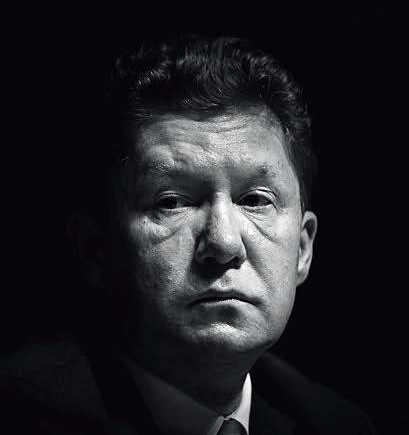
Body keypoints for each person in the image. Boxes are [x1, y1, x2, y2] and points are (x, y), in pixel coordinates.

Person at [0, 36, 376, 434]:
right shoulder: (20, 414)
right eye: (172, 202)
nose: (224, 244)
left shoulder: (335, 424)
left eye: (254, 200)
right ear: (96, 251)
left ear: (302, 248)